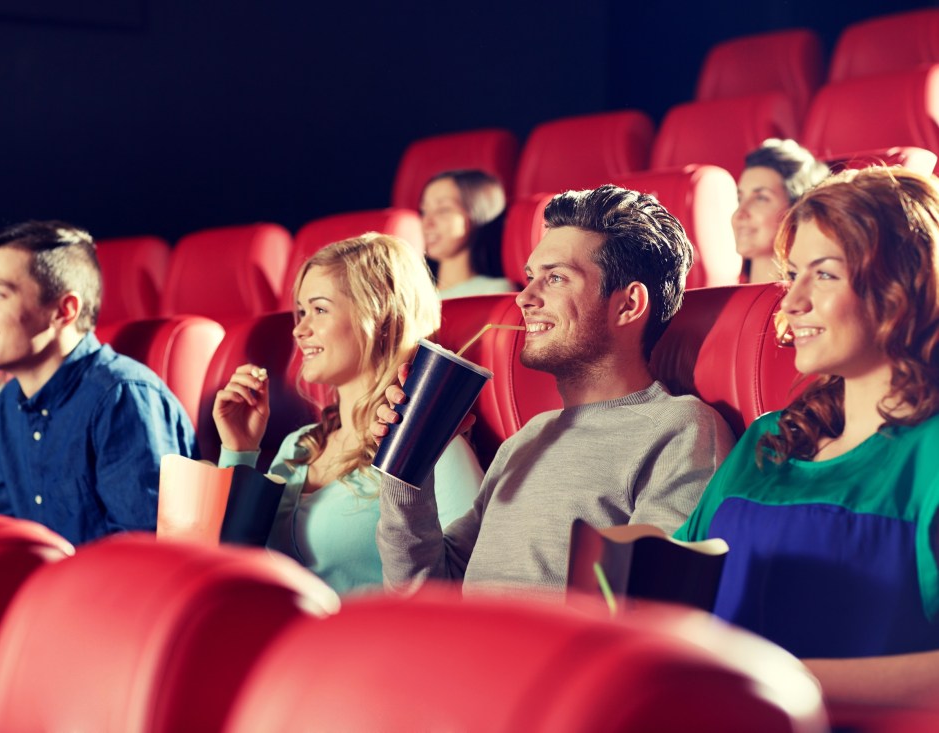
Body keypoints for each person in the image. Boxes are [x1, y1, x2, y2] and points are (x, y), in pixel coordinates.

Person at [374, 184, 735, 595]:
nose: (525, 298)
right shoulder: (526, 439)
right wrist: (407, 471)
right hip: (455, 652)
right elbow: (423, 596)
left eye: (557, 278)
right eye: (530, 278)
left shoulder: (681, 429)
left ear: (629, 304)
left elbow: (641, 612)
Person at [677, 167, 939, 709]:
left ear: (902, 286)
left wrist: (774, 688)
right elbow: (678, 584)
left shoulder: (929, 454)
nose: (790, 302)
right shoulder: (766, 441)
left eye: (823, 275)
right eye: (792, 274)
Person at [213, 233, 483, 594]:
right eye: (301, 311)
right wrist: (240, 451)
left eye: (320, 310)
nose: (299, 329)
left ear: (380, 315)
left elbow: (467, 588)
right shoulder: (299, 444)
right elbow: (231, 560)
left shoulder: (435, 451)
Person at [0, 220, 198, 545]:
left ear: (64, 310)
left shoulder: (121, 397)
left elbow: (144, 556)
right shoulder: (7, 404)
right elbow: (7, 535)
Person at [733, 138, 829, 284]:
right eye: (740, 199)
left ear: (797, 210)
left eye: (761, 198)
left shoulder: (808, 303)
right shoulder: (721, 299)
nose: (739, 214)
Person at [420, 169, 516, 298]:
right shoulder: (416, 295)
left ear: (476, 213)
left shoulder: (493, 291)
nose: (426, 223)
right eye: (424, 211)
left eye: (443, 210)